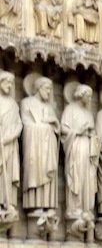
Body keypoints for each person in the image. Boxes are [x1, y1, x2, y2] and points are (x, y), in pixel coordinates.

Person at [61, 83, 100, 224]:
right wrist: (78, 131)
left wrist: (92, 134)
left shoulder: (89, 113)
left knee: (87, 177)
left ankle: (86, 208)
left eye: (91, 96)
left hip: (87, 147)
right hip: (75, 146)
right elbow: (63, 129)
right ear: (80, 95)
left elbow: (93, 131)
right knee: (75, 175)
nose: (90, 99)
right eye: (88, 96)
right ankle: (74, 208)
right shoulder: (70, 109)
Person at [21, 75, 60, 211]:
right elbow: (26, 124)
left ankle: (47, 205)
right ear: (38, 88)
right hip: (34, 145)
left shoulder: (49, 107)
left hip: (48, 146)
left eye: (50, 89)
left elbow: (57, 129)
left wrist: (54, 124)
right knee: (34, 170)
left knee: (48, 172)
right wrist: (45, 126)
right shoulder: (26, 102)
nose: (49, 92)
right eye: (47, 88)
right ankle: (34, 205)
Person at [0, 71, 21, 216]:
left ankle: (8, 203)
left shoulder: (13, 104)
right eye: (7, 82)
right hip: (0, 142)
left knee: (8, 173)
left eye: (11, 83)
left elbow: (19, 124)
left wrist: (12, 136)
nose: (10, 85)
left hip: (11, 143)